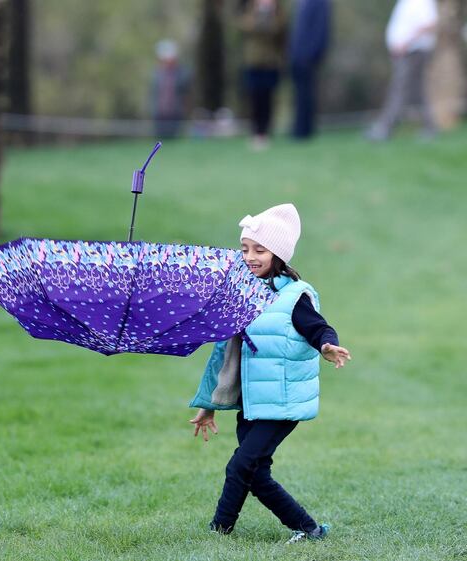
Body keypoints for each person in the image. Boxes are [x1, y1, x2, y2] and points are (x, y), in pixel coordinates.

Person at [188, 203, 351, 544]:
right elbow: (225, 353)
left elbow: (318, 328)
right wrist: (210, 404)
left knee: (239, 467)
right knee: (256, 473)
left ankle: (219, 532)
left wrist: (327, 347)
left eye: (259, 250)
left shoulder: (294, 297)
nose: (250, 256)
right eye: (245, 249)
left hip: (282, 403)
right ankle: (309, 530)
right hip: (252, 402)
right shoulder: (243, 293)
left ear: (278, 254)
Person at [366, 0, 439, 141]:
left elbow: (430, 24)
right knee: (417, 91)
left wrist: (406, 42)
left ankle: (384, 128)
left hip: (412, 51)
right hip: (407, 51)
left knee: (400, 89)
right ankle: (430, 128)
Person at [238, 0, 288, 150]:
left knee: (268, 98)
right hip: (253, 63)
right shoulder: (250, 10)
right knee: (255, 98)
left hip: (271, 63)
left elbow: (279, 31)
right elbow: (246, 27)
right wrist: (259, 14)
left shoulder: (278, 12)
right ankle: (255, 132)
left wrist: (271, 14)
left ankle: (265, 132)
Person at [289, 0, 331, 140]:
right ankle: (299, 127)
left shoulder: (319, 2)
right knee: (300, 94)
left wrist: (312, 53)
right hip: (297, 54)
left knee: (306, 93)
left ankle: (304, 130)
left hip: (307, 55)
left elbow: (321, 29)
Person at [150, 40, 191, 139]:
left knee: (174, 138)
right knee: (160, 139)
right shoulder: (157, 73)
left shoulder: (182, 73)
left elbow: (186, 94)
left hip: (175, 113)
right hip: (160, 113)